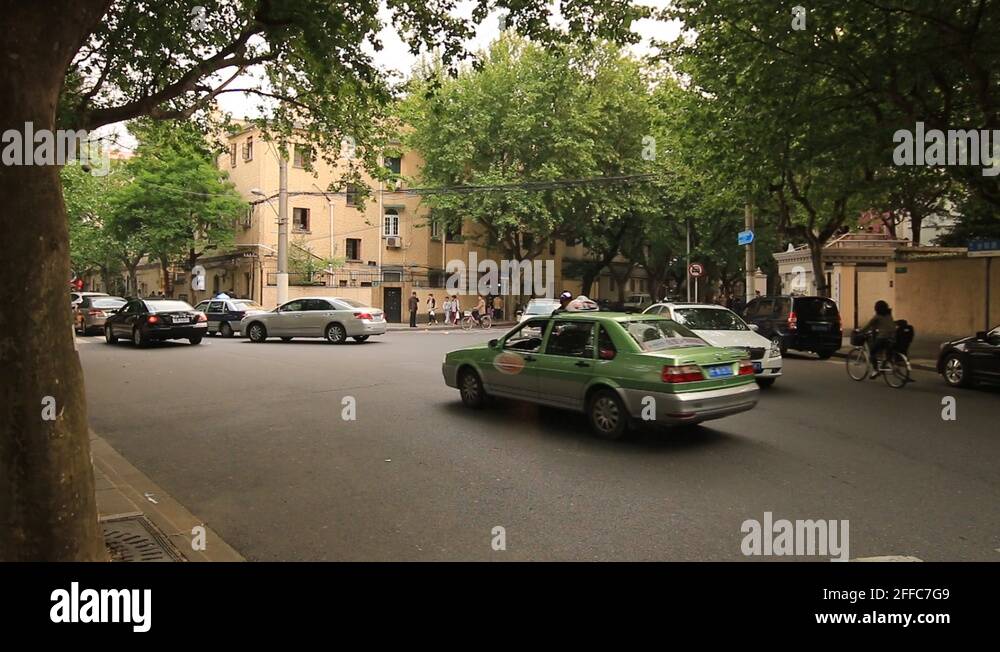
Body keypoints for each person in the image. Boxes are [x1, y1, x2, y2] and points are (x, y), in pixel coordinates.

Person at [862, 300, 896, 378]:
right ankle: (886, 363)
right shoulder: (889, 315)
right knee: (887, 352)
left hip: (883, 337)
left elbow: (869, 325)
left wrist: (860, 331)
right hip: (893, 337)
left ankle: (875, 370)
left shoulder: (877, 316)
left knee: (872, 352)